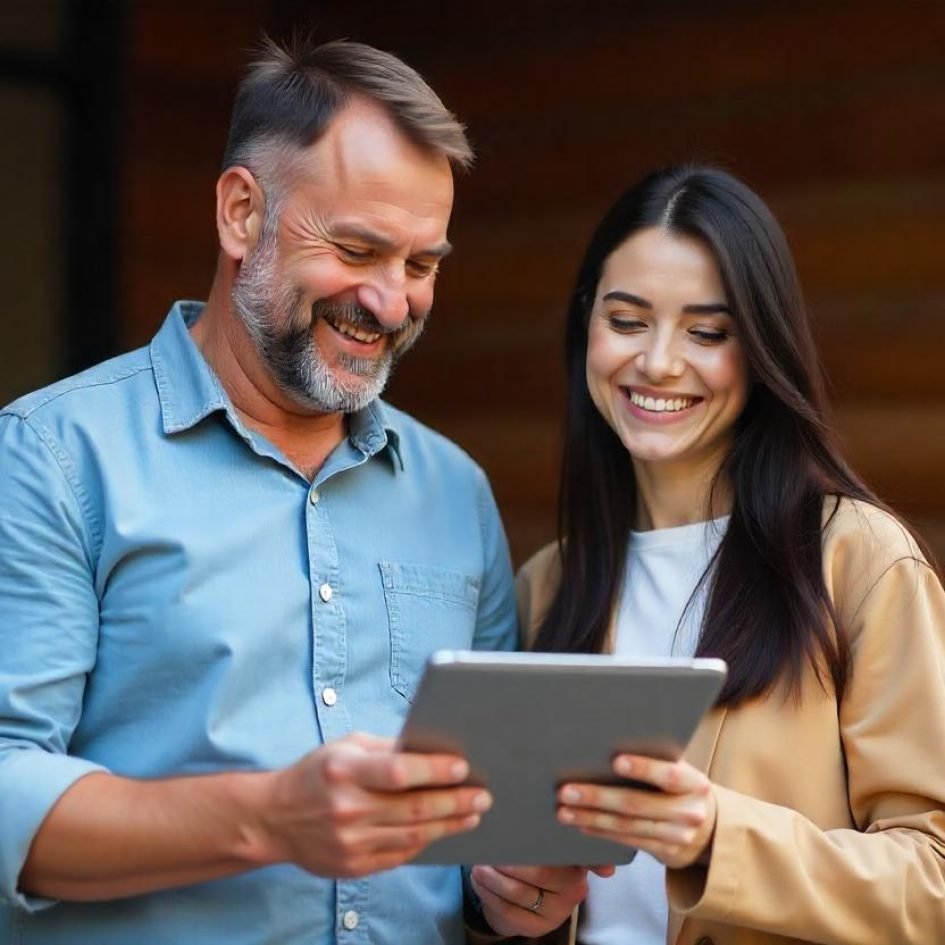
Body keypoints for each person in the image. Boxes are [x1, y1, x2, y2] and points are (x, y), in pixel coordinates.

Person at [0, 37, 589, 944]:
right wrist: (271, 816)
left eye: (422, 265)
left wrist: (501, 885)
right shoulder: (52, 457)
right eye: (356, 248)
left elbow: (476, 823)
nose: (391, 303)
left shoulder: (455, 491)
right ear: (241, 214)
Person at [511, 165, 945, 944]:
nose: (658, 362)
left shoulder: (856, 559)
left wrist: (716, 835)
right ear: (586, 326)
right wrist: (501, 900)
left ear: (759, 348)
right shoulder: (547, 584)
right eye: (627, 319)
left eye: (706, 332)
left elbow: (933, 877)